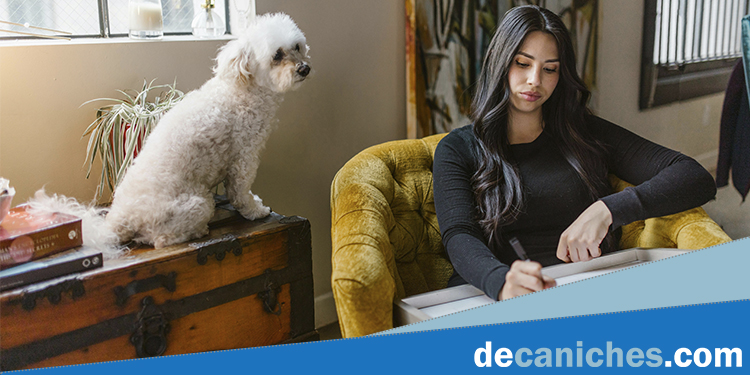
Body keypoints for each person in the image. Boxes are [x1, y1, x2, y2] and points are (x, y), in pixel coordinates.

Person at [432, 5, 716, 301]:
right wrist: (501, 282)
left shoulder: (584, 132)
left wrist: (607, 210)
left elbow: (694, 176)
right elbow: (459, 235)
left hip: (586, 288)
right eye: (522, 63)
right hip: (493, 294)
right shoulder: (458, 148)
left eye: (549, 69)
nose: (534, 80)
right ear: (499, 63)